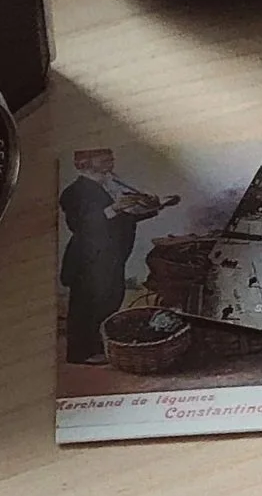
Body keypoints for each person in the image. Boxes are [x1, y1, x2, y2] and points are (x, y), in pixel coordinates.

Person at [59, 150, 175, 363]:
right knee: (87, 305)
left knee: (109, 301)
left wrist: (157, 206)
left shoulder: (107, 186)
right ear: (84, 163)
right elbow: (80, 225)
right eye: (101, 157)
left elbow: (121, 220)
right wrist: (114, 207)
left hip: (111, 258)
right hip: (89, 259)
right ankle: (80, 354)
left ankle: (97, 349)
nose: (109, 160)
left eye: (110, 157)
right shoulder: (73, 192)